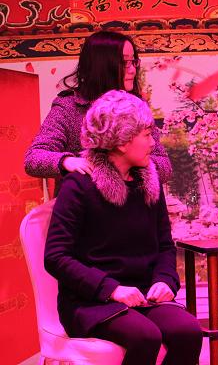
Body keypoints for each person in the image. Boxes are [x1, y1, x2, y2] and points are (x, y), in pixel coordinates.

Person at [44, 90, 202, 364]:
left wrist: (164, 280)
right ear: (122, 142)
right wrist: (112, 289)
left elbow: (165, 245)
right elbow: (56, 257)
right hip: (92, 301)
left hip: (143, 294)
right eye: (147, 135)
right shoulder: (79, 186)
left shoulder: (148, 183)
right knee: (145, 336)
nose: (153, 143)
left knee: (188, 331)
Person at [24, 30, 172, 185]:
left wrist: (127, 164)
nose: (133, 70)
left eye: (133, 61)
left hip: (131, 198)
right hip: (80, 197)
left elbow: (164, 166)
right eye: (125, 63)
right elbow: (33, 157)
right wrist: (67, 161)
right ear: (102, 66)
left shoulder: (137, 107)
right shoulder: (69, 106)